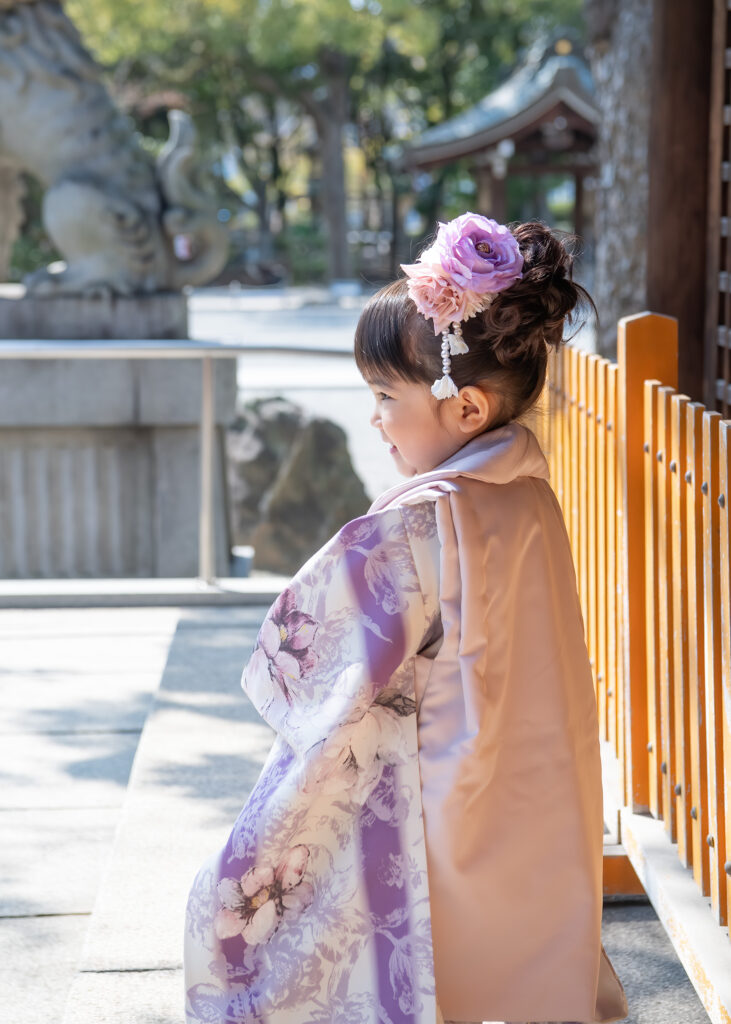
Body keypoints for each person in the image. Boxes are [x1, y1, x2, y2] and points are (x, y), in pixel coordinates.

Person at [183, 213, 628, 1024]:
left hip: (441, 787)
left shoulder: (420, 520)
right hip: (532, 784)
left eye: (386, 396)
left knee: (247, 904)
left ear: (466, 409)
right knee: (518, 947)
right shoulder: (528, 495)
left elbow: (319, 654)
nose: (375, 418)